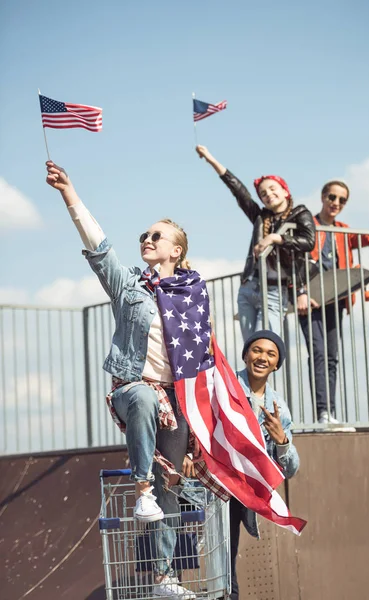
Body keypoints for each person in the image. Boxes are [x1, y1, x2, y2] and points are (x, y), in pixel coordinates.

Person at [45, 161, 196, 599]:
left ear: (177, 252)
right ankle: (141, 488)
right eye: (144, 237)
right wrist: (68, 191)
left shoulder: (192, 296)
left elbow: (205, 359)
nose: (147, 241)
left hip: (176, 398)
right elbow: (98, 246)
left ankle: (164, 579)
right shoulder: (129, 285)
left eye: (156, 237)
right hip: (132, 387)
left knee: (174, 487)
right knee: (146, 403)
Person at [182, 330, 299, 600]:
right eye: (257, 350)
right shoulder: (223, 382)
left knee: (225, 564)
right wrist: (188, 453)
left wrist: (281, 440)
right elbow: (194, 414)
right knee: (184, 557)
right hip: (200, 482)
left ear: (277, 364)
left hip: (234, 492)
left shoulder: (277, 405)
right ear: (246, 354)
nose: (262, 357)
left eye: (271, 354)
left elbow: (291, 469)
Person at [297, 180, 369, 426]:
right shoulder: (309, 226)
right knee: (318, 353)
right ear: (323, 197)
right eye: (332, 197)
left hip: (336, 299)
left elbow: (367, 237)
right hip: (310, 299)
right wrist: (299, 290)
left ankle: (330, 412)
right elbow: (295, 260)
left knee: (332, 356)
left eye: (342, 200)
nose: (336, 203)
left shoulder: (342, 229)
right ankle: (322, 411)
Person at [196, 145, 315, 338]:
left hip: (275, 289)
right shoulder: (260, 217)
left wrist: (276, 238)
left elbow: (309, 241)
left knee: (264, 345)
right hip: (249, 287)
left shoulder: (300, 213)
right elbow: (238, 190)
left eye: (272, 189)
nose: (268, 194)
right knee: (250, 349)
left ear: (285, 191)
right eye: (263, 193)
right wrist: (210, 159)